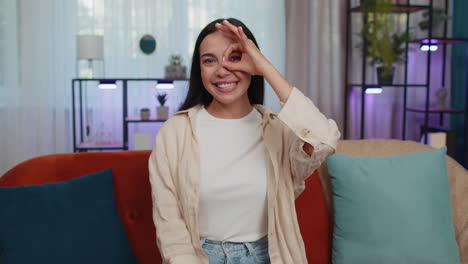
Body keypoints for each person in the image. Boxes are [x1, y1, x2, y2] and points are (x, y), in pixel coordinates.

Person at [148, 18, 341, 264]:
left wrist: (266, 69)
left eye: (235, 57)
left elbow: (325, 140)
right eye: (209, 60)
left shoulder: (279, 130)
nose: (222, 69)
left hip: (269, 256)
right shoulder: (175, 133)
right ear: (200, 70)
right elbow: (170, 228)